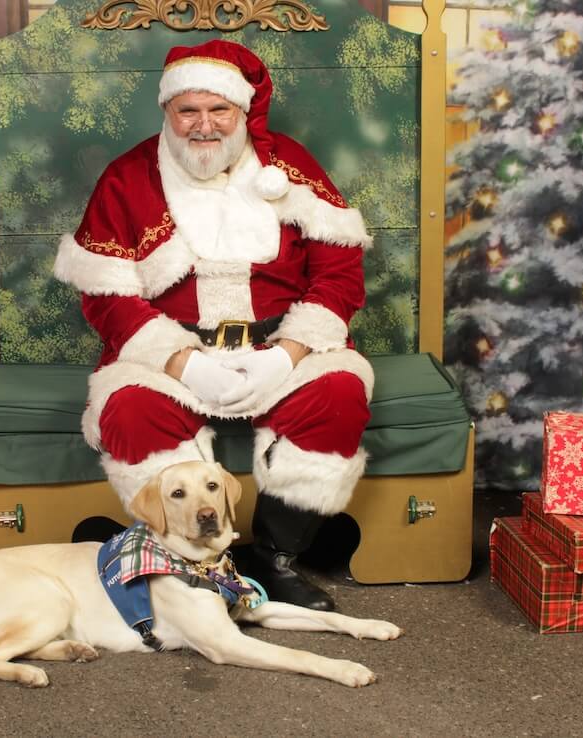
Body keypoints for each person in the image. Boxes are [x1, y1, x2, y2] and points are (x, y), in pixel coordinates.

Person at [53, 39, 373, 611]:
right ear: (167, 113)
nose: (204, 125)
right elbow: (105, 295)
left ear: (242, 110)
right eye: (187, 110)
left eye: (218, 110)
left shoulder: (291, 168)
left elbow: (341, 273)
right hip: (171, 355)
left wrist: (289, 351)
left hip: (283, 345)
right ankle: (190, 562)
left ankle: (276, 559)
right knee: (128, 408)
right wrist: (183, 362)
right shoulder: (127, 178)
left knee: (339, 393)